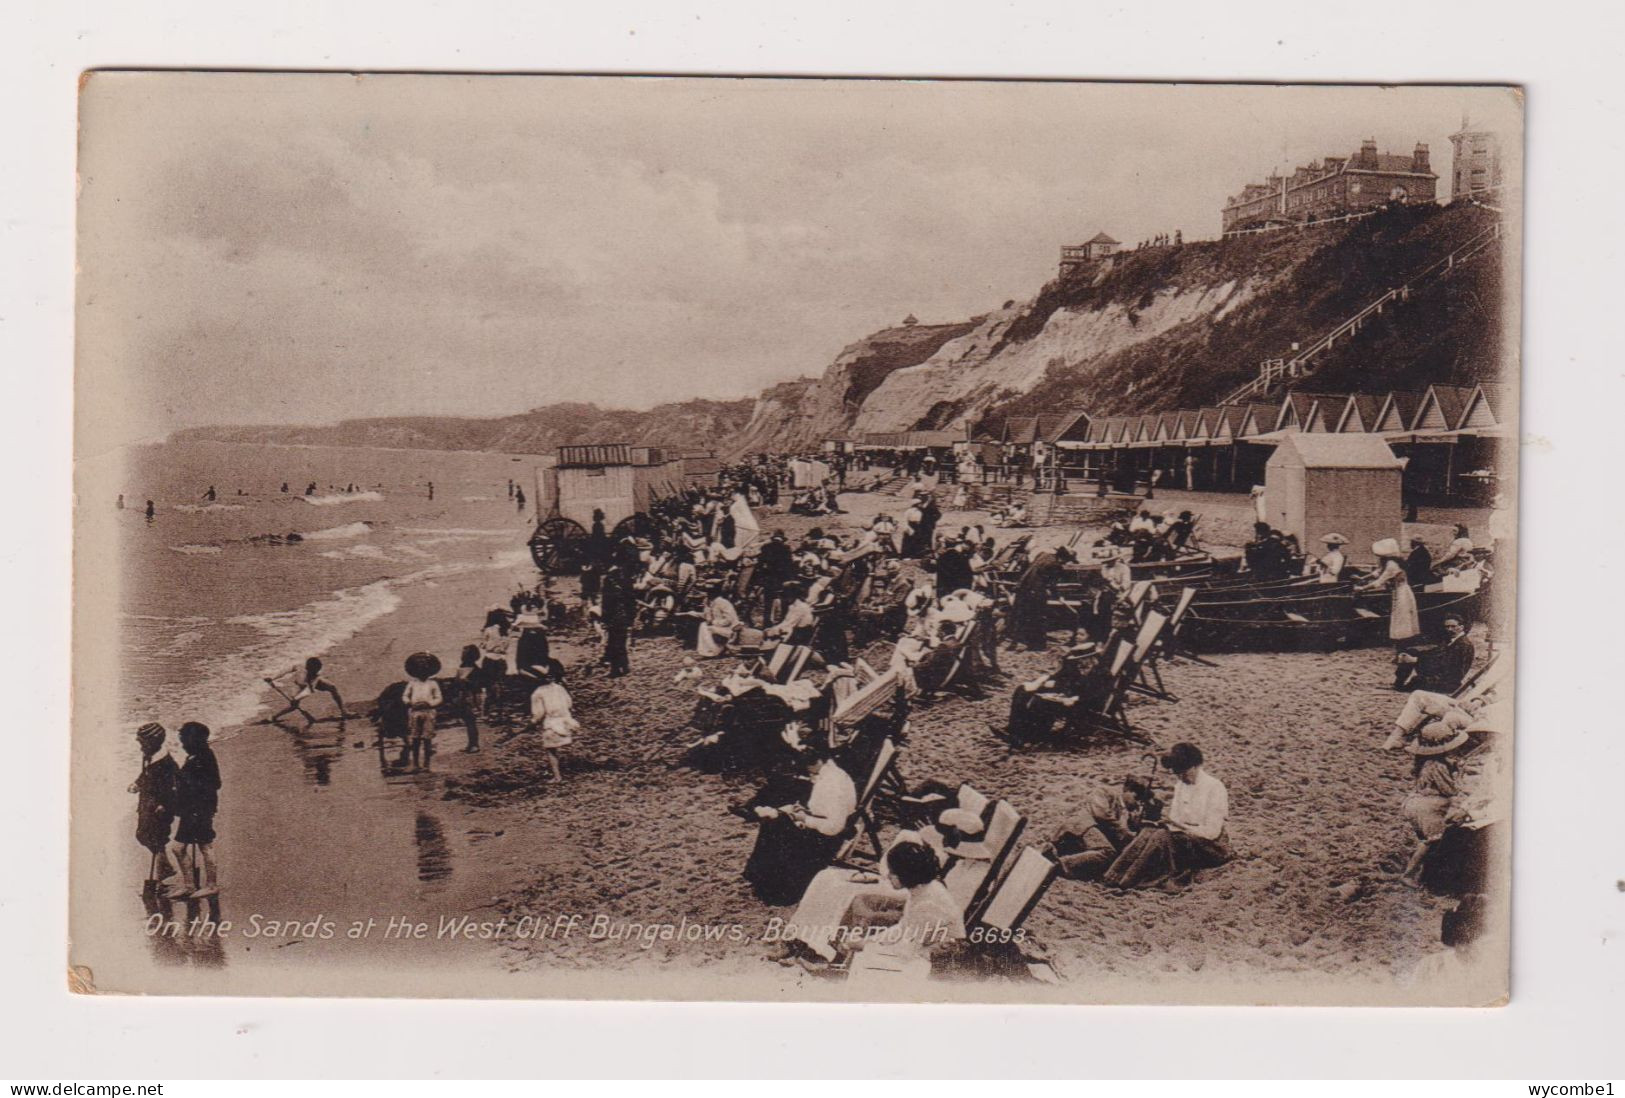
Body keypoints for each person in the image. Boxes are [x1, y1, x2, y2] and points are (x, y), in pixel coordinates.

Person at [742, 741, 857, 906]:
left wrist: (804, 819)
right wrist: (802, 811)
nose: (810, 775)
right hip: (821, 826)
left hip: (826, 838)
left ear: (818, 762)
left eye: (810, 770)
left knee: (774, 826)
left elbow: (834, 827)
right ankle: (761, 878)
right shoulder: (833, 773)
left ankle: (771, 886)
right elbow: (823, 810)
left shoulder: (832, 784)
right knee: (775, 821)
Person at [1102, 742, 1229, 890]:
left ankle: (1129, 881)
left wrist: (1177, 826)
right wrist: (1163, 822)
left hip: (1212, 847)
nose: (1181, 778)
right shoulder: (1181, 785)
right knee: (1148, 831)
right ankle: (1113, 876)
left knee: (1162, 836)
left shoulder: (1214, 787)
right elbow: (1175, 818)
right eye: (1177, 774)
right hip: (1185, 838)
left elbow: (1211, 833)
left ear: (1196, 766)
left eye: (1184, 773)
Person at [1398, 722, 1470, 884]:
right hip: (1428, 808)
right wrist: (1459, 777)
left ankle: (1418, 871)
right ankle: (1409, 875)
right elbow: (1450, 790)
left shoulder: (1425, 763)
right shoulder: (1438, 766)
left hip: (1415, 803)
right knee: (1432, 841)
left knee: (1426, 840)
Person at [1005, 641, 1110, 745]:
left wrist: (1075, 698)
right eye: (1078, 660)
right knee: (1022, 689)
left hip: (1082, 704)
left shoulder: (1101, 673)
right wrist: (1043, 682)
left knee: (1040, 701)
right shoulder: (1077, 666)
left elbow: (1097, 695)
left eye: (1082, 659)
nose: (1080, 662)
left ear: (1091, 658)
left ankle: (1029, 736)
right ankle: (1014, 728)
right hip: (1066, 693)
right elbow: (1061, 677)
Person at [129, 722, 183, 893]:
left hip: (160, 808)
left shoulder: (166, 763)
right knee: (143, 835)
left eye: (142, 743)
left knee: (157, 837)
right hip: (147, 804)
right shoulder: (149, 757)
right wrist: (137, 784)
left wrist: (164, 805)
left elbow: (173, 787)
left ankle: (161, 877)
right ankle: (164, 869)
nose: (140, 748)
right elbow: (145, 775)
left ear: (152, 743)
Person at [1042, 785, 1135, 880]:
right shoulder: (1105, 792)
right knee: (1108, 852)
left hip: (1087, 833)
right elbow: (1101, 815)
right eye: (1136, 797)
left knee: (1107, 855)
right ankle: (1060, 865)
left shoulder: (1126, 813)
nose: (1137, 802)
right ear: (1128, 790)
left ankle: (1058, 858)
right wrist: (1125, 832)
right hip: (1081, 825)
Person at [173, 721, 222, 899]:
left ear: (194, 740)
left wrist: (187, 779)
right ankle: (190, 886)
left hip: (200, 809)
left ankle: (211, 885)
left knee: (204, 845)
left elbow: (215, 783)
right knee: (179, 848)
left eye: (184, 740)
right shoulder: (195, 756)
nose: (182, 744)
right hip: (190, 809)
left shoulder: (204, 757)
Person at [1358, 538, 1422, 670]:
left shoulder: (1392, 565)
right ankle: (1400, 653)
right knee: (1399, 623)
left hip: (1402, 594)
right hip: (1398, 593)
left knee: (1402, 624)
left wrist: (1362, 588)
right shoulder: (1389, 563)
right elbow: (1376, 573)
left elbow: (1378, 582)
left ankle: (1402, 653)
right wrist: (1362, 578)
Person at [1006, 544, 1075, 650]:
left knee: (1019, 617)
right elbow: (1052, 585)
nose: (1066, 563)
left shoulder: (1043, 554)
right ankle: (1036, 645)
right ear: (1064, 557)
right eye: (1067, 560)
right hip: (1034, 593)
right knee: (1037, 618)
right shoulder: (1055, 565)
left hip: (1021, 588)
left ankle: (1014, 643)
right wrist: (1059, 597)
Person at [1395, 613, 1475, 694]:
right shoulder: (1453, 640)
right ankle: (1399, 683)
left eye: (1453, 626)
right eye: (1447, 627)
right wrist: (1413, 656)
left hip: (1448, 681)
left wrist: (1416, 660)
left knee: (1417, 680)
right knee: (1409, 652)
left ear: (1461, 627)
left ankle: (1401, 686)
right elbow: (1435, 653)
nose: (1449, 629)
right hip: (1441, 673)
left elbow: (1446, 664)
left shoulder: (1463, 645)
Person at [528, 666, 578, 782]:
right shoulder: (559, 688)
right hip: (566, 721)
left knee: (551, 750)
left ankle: (557, 776)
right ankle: (563, 772)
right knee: (561, 746)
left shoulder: (538, 692)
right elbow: (569, 703)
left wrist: (532, 723)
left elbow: (539, 713)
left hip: (552, 723)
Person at [266, 657, 345, 722]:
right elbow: (285, 671)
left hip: (311, 686)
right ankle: (274, 717)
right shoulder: (299, 667)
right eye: (313, 671)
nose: (315, 673)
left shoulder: (315, 677)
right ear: (307, 668)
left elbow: (309, 691)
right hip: (298, 686)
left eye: (317, 671)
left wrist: (297, 698)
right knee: (294, 706)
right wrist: (272, 678)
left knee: (332, 687)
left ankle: (343, 711)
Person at [403, 656, 443, 770]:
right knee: (415, 738)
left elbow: (438, 698)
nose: (422, 670)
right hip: (415, 712)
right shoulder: (412, 683)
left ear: (429, 670)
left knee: (427, 738)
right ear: (415, 670)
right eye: (419, 668)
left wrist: (430, 704)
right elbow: (405, 695)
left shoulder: (433, 684)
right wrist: (409, 703)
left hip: (428, 712)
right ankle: (415, 764)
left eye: (425, 667)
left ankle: (426, 764)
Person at [600, 562, 636, 677]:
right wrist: (631, 617)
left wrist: (604, 619)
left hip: (614, 616)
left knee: (613, 642)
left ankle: (615, 669)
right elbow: (631, 601)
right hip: (624, 616)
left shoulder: (608, 580)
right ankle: (624, 666)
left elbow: (606, 603)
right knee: (621, 642)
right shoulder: (627, 577)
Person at [695, 588, 742, 658]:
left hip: (730, 628)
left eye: (707, 593)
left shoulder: (723, 602)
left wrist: (714, 623)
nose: (705, 595)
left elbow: (729, 620)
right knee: (703, 625)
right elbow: (707, 617)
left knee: (706, 628)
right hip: (719, 626)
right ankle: (711, 650)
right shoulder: (709, 602)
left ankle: (716, 651)